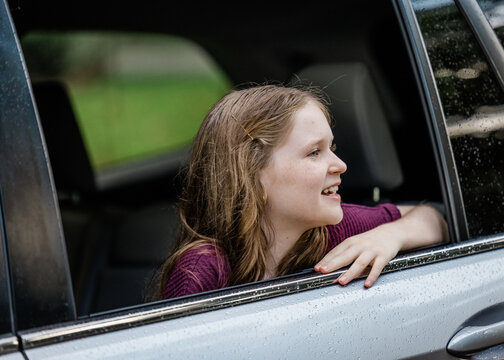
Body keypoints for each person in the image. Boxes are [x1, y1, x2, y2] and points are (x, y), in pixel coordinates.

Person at [155, 84, 448, 300]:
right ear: (252, 176)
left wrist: (389, 236)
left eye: (331, 148)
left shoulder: (333, 231)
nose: (341, 165)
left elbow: (435, 216)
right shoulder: (201, 271)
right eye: (314, 153)